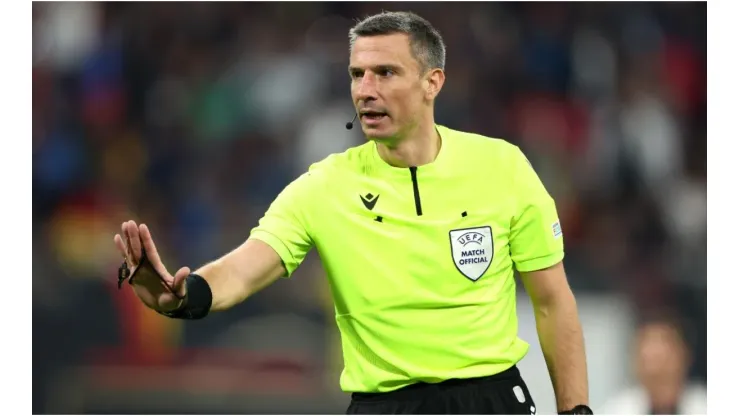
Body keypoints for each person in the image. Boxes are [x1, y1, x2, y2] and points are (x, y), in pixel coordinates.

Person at [113, 11, 591, 415]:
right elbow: (242, 268)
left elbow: (552, 303)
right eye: (356, 74)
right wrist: (183, 295)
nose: (365, 89)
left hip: (490, 400)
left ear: (432, 82)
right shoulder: (325, 186)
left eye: (385, 73)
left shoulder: (502, 168)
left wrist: (577, 410)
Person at [598, 313, 706, 415]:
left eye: (663, 360)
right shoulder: (616, 411)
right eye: (648, 361)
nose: (655, 370)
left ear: (685, 357)